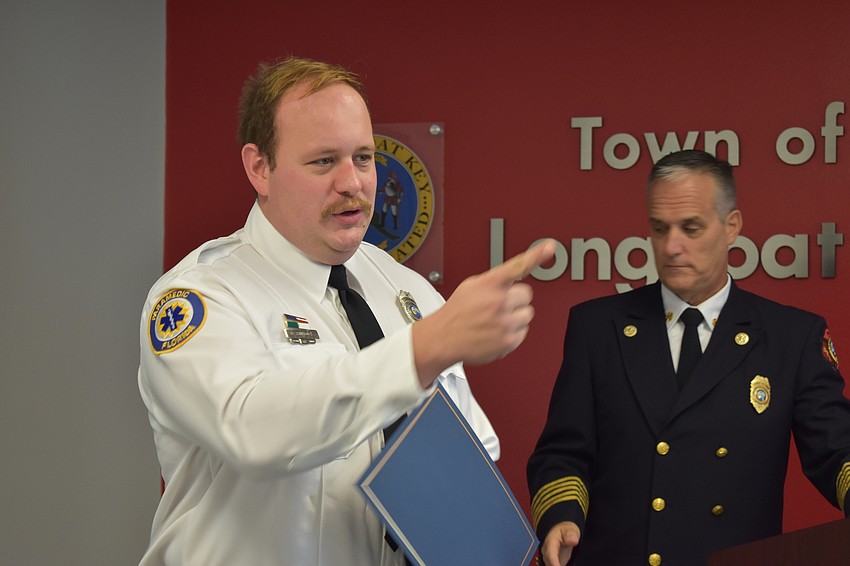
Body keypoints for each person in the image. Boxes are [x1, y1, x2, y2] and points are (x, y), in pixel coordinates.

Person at [138, 56, 555, 566]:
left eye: (363, 157)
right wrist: (425, 349)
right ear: (259, 168)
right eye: (323, 161)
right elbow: (253, 431)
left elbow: (467, 457)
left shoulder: (408, 290)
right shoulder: (200, 298)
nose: (352, 182)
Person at [527, 149, 850, 566]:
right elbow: (564, 451)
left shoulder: (790, 336)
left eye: (691, 228)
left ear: (731, 226)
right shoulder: (597, 327)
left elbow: (836, 448)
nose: (672, 246)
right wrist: (560, 518)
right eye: (660, 229)